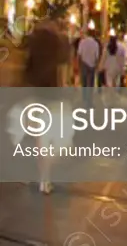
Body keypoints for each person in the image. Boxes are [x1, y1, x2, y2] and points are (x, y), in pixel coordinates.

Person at [23, 16, 70, 194]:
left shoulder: (33, 42)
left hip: (34, 92)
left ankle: (33, 174)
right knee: (48, 138)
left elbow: (27, 67)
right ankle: (45, 179)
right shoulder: (58, 43)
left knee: (34, 137)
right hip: (51, 94)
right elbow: (62, 69)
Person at [77, 29, 101, 104]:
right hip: (92, 65)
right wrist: (97, 66)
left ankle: (84, 99)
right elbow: (97, 56)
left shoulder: (82, 42)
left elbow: (79, 54)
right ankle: (89, 100)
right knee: (90, 83)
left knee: (84, 83)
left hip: (84, 63)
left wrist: (78, 65)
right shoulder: (95, 43)